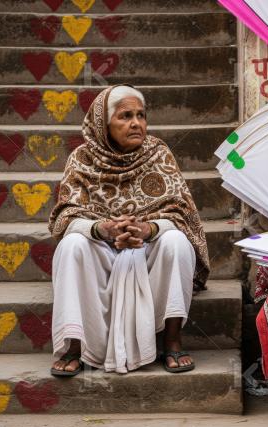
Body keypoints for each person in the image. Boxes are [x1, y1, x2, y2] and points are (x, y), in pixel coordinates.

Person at [47, 84, 210, 376]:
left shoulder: (158, 153)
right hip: (101, 251)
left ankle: (172, 340)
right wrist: (104, 229)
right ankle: (74, 345)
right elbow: (65, 217)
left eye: (141, 115)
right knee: (71, 245)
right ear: (104, 124)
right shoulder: (81, 159)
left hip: (147, 248)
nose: (136, 123)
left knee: (176, 240)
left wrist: (148, 229)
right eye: (125, 116)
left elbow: (182, 214)